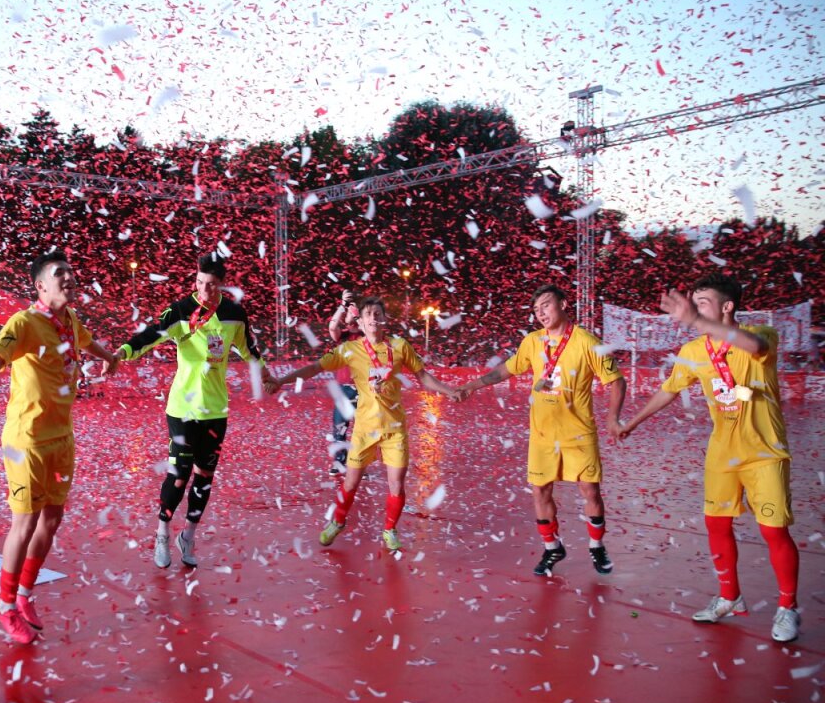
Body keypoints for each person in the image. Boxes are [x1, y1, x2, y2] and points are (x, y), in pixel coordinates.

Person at [0, 251, 119, 645]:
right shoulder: (22, 323)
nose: (70, 278)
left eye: (72, 272)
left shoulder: (70, 321)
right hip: (26, 442)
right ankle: (4, 605)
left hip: (62, 438)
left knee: (51, 520)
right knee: (24, 522)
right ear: (40, 285)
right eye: (60, 274)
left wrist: (111, 358)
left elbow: (88, 345)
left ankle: (23, 596)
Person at [619, 273, 800, 642]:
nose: (694, 310)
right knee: (717, 526)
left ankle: (787, 607)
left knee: (773, 530)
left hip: (764, 452)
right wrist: (631, 423)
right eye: (694, 304)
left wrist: (696, 320)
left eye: (702, 303)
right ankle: (729, 598)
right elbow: (669, 390)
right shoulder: (693, 352)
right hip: (722, 455)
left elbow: (750, 345)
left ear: (727, 306)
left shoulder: (762, 334)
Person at [113, 252, 272, 569]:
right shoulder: (180, 310)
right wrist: (121, 352)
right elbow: (149, 334)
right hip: (182, 409)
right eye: (199, 283)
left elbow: (249, 348)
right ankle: (162, 532)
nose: (204, 290)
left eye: (211, 285)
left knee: (204, 478)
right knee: (179, 474)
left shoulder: (234, 315)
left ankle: (189, 535)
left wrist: (265, 372)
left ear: (222, 284)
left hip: (215, 411)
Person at [267, 296, 463, 551]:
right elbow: (315, 367)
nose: (373, 317)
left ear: (384, 319)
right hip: (364, 429)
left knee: (396, 484)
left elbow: (423, 377)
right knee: (350, 483)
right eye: (368, 313)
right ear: (360, 320)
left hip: (395, 429)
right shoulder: (350, 349)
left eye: (377, 313)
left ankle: (390, 529)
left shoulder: (400, 346)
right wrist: (282, 381)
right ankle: (338, 521)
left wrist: (450, 391)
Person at [458, 284, 625, 576]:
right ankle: (552, 548)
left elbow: (617, 381)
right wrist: (471, 385)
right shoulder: (533, 342)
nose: (541, 313)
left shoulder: (587, 342)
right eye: (536, 310)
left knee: (590, 491)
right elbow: (507, 369)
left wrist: (613, 418)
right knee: (540, 492)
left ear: (562, 304)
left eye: (546, 305)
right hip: (543, 435)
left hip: (578, 433)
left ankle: (596, 546)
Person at [326, 289, 361, 474]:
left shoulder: (367, 335)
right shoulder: (343, 335)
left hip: (364, 389)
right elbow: (332, 327)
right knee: (340, 428)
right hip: (344, 389)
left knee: (362, 430)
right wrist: (343, 306)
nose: (351, 314)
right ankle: (339, 463)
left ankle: (357, 464)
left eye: (355, 312)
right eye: (349, 311)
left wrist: (357, 314)